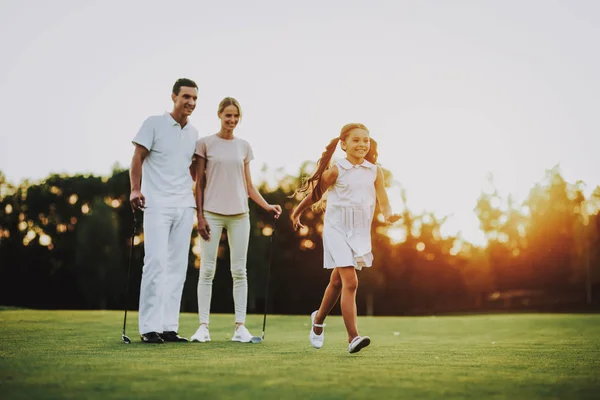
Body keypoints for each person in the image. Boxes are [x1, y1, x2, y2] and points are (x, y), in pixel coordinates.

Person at [290, 123, 401, 353]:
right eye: (356, 140)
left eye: (365, 140)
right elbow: (315, 195)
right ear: (343, 144)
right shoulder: (336, 170)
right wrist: (297, 211)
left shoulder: (374, 171)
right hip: (336, 230)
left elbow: (384, 200)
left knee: (338, 281)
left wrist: (389, 216)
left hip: (358, 233)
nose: (362, 144)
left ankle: (318, 320)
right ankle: (353, 338)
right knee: (351, 281)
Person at [191, 97, 282, 343]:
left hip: (240, 215)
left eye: (235, 116)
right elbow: (198, 183)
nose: (231, 120)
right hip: (211, 213)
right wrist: (199, 215)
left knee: (239, 271)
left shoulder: (244, 146)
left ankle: (240, 327)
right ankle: (203, 327)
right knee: (207, 271)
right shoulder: (205, 144)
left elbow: (249, 186)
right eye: (227, 115)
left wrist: (266, 206)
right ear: (219, 115)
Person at [129, 78, 199, 344]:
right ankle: (149, 327)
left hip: (184, 205)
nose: (190, 102)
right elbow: (137, 158)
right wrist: (135, 190)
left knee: (178, 267)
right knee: (156, 263)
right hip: (157, 204)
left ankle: (168, 326)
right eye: (186, 97)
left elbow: (192, 170)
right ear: (174, 97)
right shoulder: (153, 123)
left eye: (194, 98)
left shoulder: (193, 133)